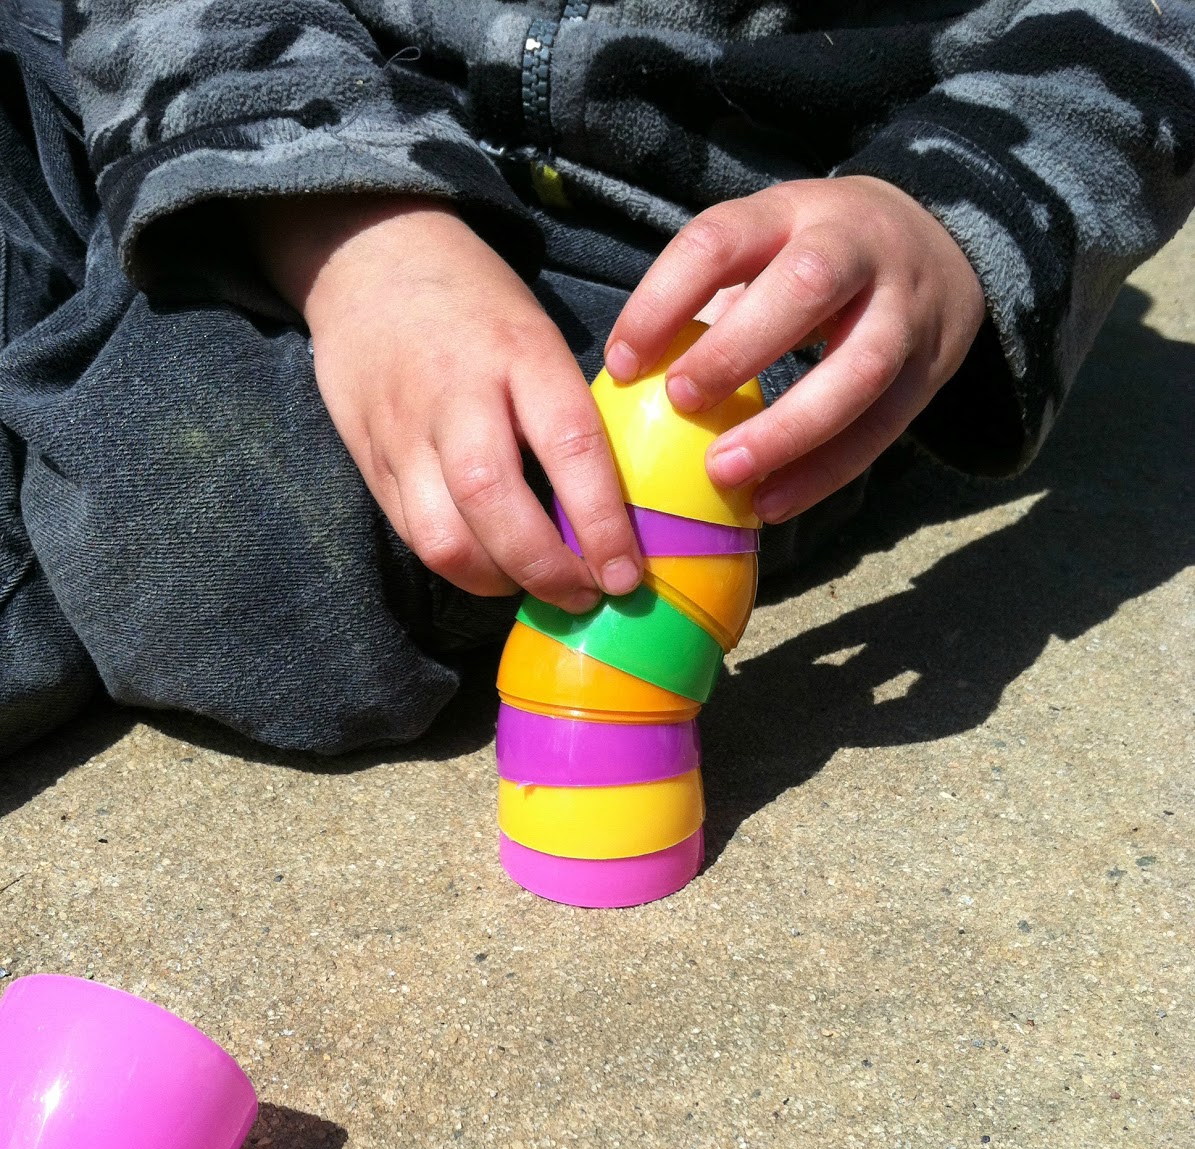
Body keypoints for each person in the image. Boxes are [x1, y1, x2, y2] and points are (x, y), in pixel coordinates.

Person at [1, 0, 1192, 759]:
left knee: (230, 524)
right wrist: (344, 205)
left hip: (699, 258)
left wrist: (952, 206)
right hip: (199, 88)